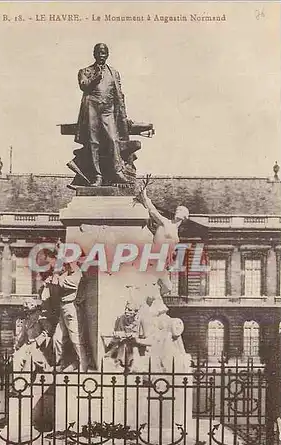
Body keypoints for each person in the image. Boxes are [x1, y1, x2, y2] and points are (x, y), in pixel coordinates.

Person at [75, 43, 129, 186]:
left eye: (104, 53)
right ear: (94, 54)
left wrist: (124, 115)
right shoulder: (85, 71)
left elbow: (119, 94)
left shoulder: (114, 72)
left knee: (113, 139)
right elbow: (83, 85)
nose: (101, 56)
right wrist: (95, 78)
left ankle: (117, 171)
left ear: (107, 55)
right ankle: (97, 176)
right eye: (99, 53)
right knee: (93, 142)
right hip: (91, 107)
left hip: (108, 109)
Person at [136, 185, 189, 295]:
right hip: (154, 258)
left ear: (185, 217)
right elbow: (153, 211)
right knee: (164, 286)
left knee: (166, 287)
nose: (177, 211)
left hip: (163, 262)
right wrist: (145, 196)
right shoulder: (165, 222)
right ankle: (146, 302)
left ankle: (149, 301)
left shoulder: (175, 230)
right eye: (177, 209)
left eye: (180, 210)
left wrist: (170, 262)